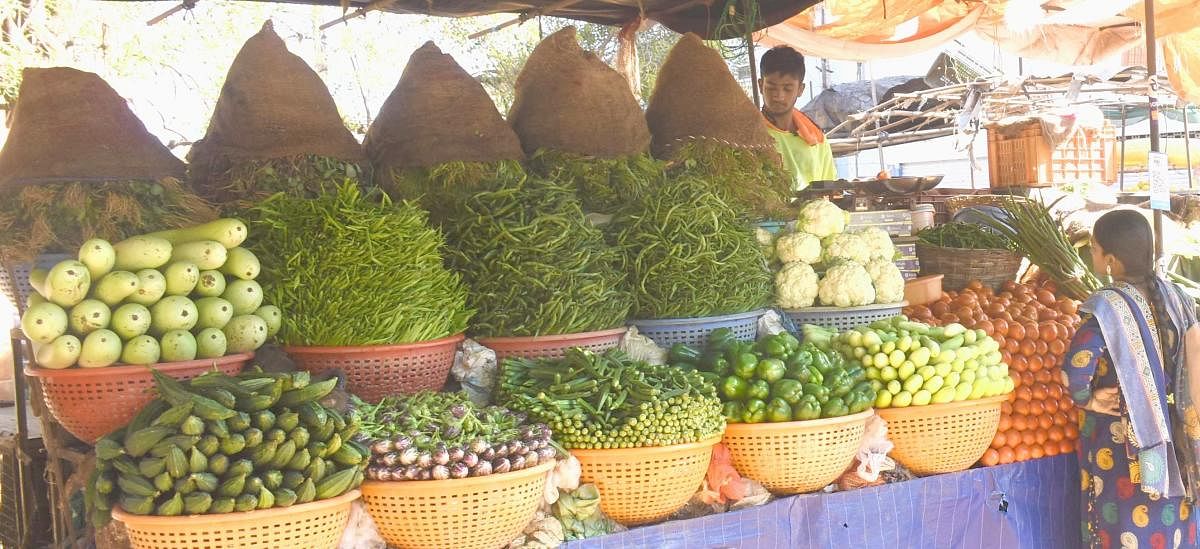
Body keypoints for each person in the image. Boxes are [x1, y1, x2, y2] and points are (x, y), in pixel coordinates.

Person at [1064, 209, 1200, 549]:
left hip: (1125, 440)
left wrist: (1087, 398)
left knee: (1125, 519)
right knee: (1171, 517)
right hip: (1177, 436)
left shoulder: (1107, 307)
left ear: (1110, 259)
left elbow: (1075, 368)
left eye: (1094, 248)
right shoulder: (1179, 298)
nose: (1092, 254)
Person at [758, 46, 836, 192]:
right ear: (761, 85)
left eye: (787, 89)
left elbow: (829, 190)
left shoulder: (816, 137)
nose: (779, 96)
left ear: (800, 89)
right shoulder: (751, 135)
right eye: (771, 87)